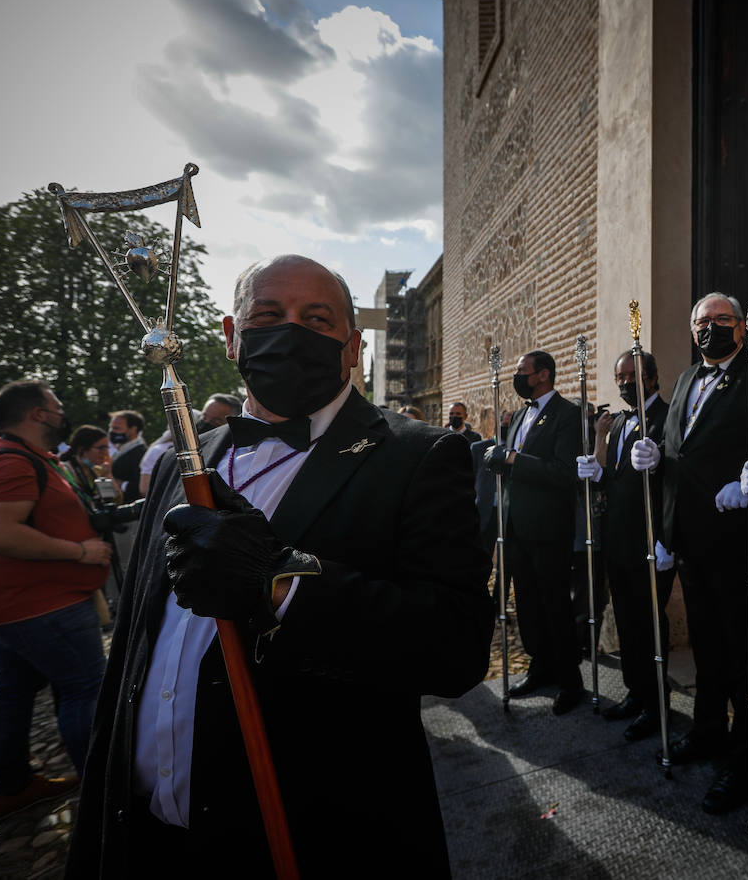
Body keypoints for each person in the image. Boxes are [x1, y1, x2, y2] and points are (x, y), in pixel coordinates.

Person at [66, 255, 493, 878]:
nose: (290, 331)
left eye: (316, 319)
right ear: (231, 336)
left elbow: (455, 647)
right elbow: (137, 636)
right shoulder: (185, 461)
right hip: (148, 833)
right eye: (267, 314)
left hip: (311, 831)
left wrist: (280, 583)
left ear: (351, 349)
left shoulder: (418, 458)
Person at [631, 292, 748, 815]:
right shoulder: (685, 379)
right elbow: (679, 450)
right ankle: (707, 731)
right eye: (701, 322)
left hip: (742, 545)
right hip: (692, 542)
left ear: (742, 328)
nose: (710, 329)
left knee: (744, 660)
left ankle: (743, 760)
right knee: (706, 651)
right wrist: (655, 458)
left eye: (721, 320)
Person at [0, 381, 112, 820]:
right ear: (37, 415)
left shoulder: (22, 457)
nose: (61, 414)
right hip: (44, 605)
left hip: (23, 603)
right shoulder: (9, 461)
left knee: (12, 692)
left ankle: (13, 786)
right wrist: (81, 552)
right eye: (56, 407)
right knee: (85, 689)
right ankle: (105, 795)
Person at [577, 350, 672, 741]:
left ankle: (657, 702)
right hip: (617, 538)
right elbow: (611, 476)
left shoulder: (667, 416)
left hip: (650, 540)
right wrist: (594, 468)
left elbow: (673, 476)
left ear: (652, 378)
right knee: (629, 623)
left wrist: (668, 536)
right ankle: (636, 692)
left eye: (632, 376)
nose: (624, 383)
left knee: (650, 623)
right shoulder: (616, 422)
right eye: (620, 377)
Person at [483, 350, 582, 714]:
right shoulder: (522, 414)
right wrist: (501, 459)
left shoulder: (567, 415)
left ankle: (570, 681)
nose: (517, 375)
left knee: (555, 606)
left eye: (522, 370)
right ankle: (540, 666)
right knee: (527, 605)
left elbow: (562, 472)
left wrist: (511, 459)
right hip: (517, 527)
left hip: (548, 529)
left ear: (542, 375)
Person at [107, 410, 146, 502]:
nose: (111, 431)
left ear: (133, 429)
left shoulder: (141, 453)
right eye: (111, 428)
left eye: (117, 428)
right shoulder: (121, 448)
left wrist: (120, 484)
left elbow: (142, 487)